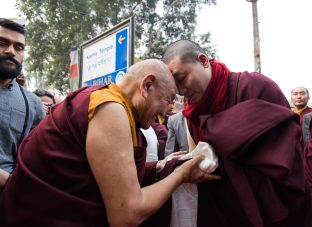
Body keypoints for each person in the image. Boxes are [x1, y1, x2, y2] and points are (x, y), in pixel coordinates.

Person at [0, 59, 220, 226]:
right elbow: (126, 215)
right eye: (168, 99)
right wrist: (181, 175)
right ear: (147, 85)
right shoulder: (110, 109)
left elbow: (107, 173)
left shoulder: (117, 108)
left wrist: (161, 166)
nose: (166, 110)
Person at [162, 40, 312, 226]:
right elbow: (199, 161)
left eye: (182, 78)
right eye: (175, 87)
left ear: (203, 61)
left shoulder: (255, 85)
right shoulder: (191, 113)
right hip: (225, 212)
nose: (181, 91)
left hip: (276, 207)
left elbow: (287, 147)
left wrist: (221, 132)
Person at [0, 18, 44, 190]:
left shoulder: (33, 104)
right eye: (3, 43)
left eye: (19, 47)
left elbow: (37, 160)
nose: (11, 51)